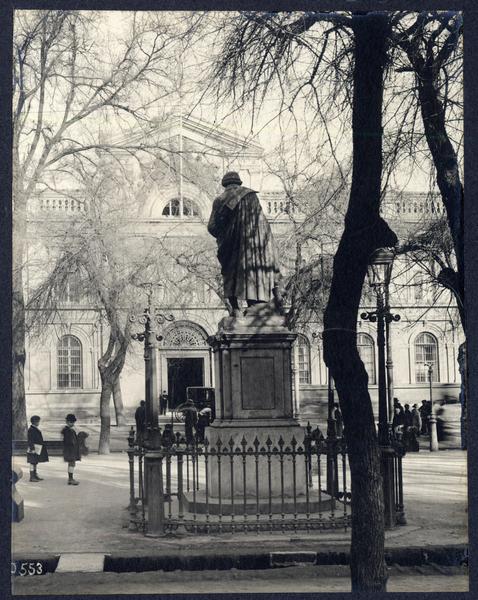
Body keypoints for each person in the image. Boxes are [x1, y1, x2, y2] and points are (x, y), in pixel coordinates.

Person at [208, 171, 282, 317]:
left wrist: (225, 232)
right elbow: (261, 222)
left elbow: (212, 227)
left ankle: (235, 309)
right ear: (239, 182)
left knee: (230, 273)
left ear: (225, 184)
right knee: (253, 268)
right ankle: (256, 304)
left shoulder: (220, 200)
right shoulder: (251, 196)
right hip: (256, 245)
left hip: (231, 246)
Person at [27, 415, 49, 482]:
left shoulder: (34, 429)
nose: (39, 423)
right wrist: (32, 449)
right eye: (38, 421)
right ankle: (32, 477)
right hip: (33, 448)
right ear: (35, 422)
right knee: (32, 462)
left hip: (37, 448)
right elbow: (30, 440)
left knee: (35, 462)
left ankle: (35, 475)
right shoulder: (31, 430)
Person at [61, 414, 80, 485]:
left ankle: (70, 478)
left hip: (69, 450)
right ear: (67, 422)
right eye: (71, 422)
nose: (73, 424)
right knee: (72, 464)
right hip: (70, 450)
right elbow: (70, 441)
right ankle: (70, 479)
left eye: (73, 422)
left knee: (72, 464)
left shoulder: (68, 430)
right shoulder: (68, 431)